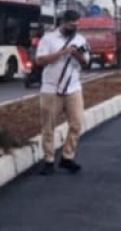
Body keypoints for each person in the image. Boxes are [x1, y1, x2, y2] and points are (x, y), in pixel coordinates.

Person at [35, 9, 90, 175]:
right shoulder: (49, 38)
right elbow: (40, 60)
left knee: (77, 123)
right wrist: (63, 53)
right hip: (51, 88)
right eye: (71, 24)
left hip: (73, 88)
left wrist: (77, 55)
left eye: (76, 24)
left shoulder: (80, 40)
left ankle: (67, 157)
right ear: (63, 22)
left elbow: (86, 63)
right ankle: (49, 160)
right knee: (48, 126)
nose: (74, 27)